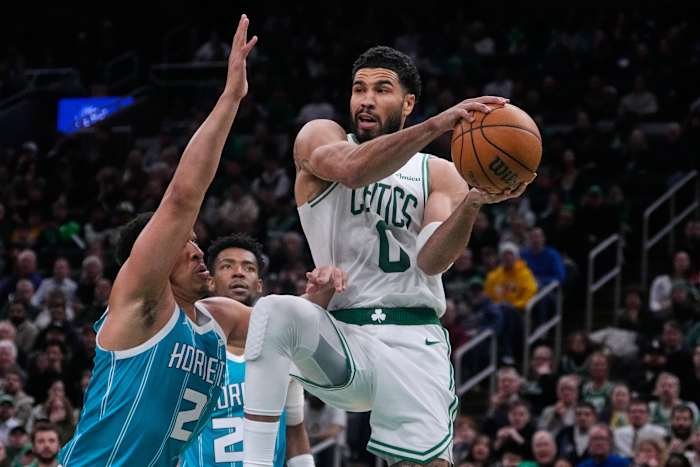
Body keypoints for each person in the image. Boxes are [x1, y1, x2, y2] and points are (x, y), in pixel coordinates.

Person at [241, 45, 532, 466]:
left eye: (382, 89)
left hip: (414, 338)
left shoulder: (440, 172)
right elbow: (353, 171)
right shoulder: (320, 137)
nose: (366, 99)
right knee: (277, 311)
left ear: (407, 103)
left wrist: (474, 202)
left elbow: (431, 261)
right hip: (343, 336)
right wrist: (438, 124)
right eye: (359, 89)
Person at [57, 16, 259, 466]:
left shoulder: (218, 320)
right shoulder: (143, 304)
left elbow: (291, 331)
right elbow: (182, 197)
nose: (199, 250)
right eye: (186, 241)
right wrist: (231, 98)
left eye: (196, 241)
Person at [181, 234, 315, 467]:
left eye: (249, 268)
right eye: (227, 266)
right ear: (210, 281)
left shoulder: (283, 350)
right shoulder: (190, 346)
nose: (239, 273)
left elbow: (294, 430)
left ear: (259, 285)